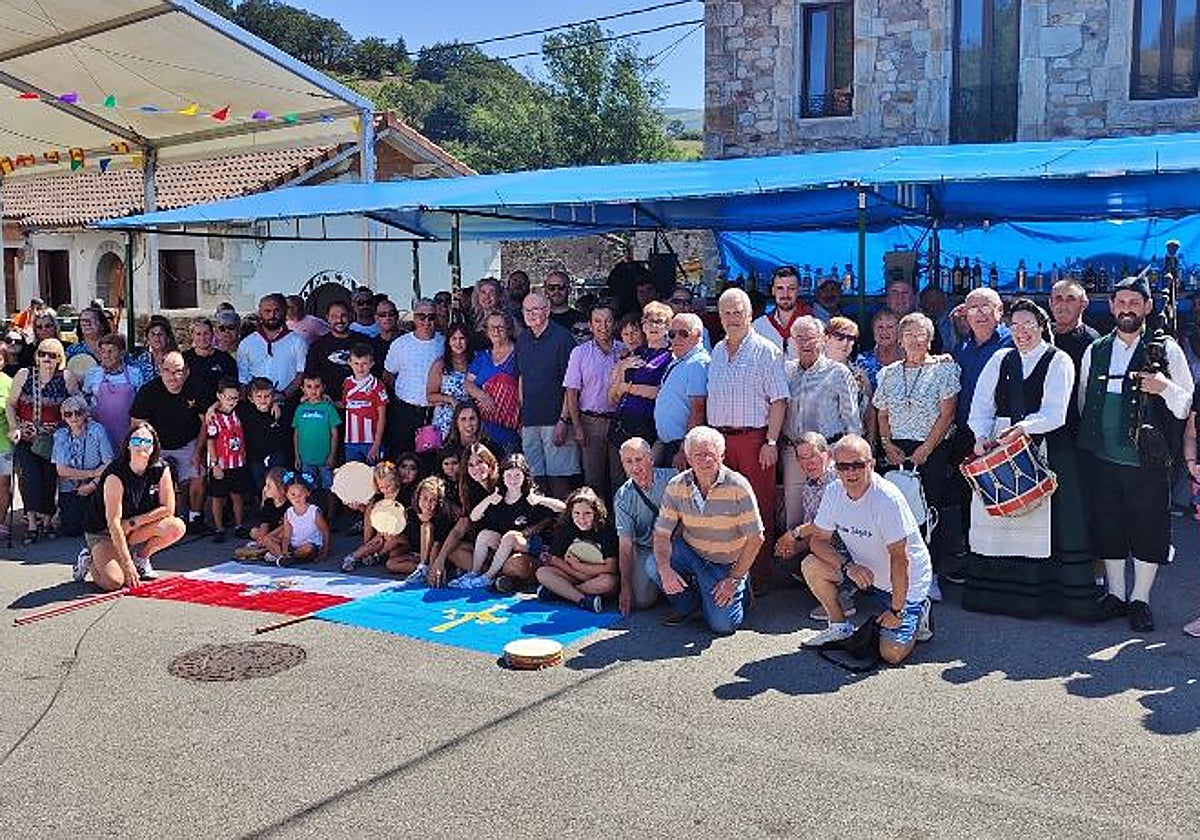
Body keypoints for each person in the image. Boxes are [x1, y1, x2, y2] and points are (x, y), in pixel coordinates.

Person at [1079, 276, 1194, 631]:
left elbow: (1186, 403)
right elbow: (1085, 398)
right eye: (1121, 301)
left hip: (1147, 459)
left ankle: (1139, 599)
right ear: (1111, 306)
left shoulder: (1165, 349)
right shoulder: (1096, 349)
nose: (1127, 308)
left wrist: (1164, 388)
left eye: (1135, 302)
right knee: (1109, 525)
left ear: (1147, 307)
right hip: (1102, 456)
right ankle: (1116, 594)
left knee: (1147, 529)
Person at [965, 299, 1081, 619]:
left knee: (1035, 521)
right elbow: (981, 405)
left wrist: (1023, 429)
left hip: (1039, 443)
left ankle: (1035, 600)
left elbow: (1055, 412)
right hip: (999, 445)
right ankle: (991, 596)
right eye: (1014, 326)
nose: (1021, 332)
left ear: (1041, 326)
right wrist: (980, 437)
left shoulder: (1059, 360)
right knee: (993, 519)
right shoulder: (1001, 358)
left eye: (1028, 325)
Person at [799, 435, 934, 664]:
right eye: (843, 466)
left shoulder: (887, 499)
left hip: (905, 583)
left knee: (891, 654)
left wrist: (896, 612)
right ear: (835, 466)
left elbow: (900, 560)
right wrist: (849, 566)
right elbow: (817, 541)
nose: (851, 473)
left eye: (858, 465)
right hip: (867, 575)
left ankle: (919, 610)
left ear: (871, 464)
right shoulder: (834, 492)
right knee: (810, 564)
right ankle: (839, 626)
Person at [707, 288, 788, 595]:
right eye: (726, 312)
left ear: (750, 314)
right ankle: (729, 571)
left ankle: (761, 575)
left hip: (754, 440)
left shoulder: (767, 350)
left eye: (738, 311)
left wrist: (771, 441)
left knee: (758, 508)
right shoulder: (716, 350)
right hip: (720, 443)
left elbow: (779, 401)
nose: (732, 318)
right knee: (724, 510)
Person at [874, 313, 960, 583]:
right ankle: (896, 573)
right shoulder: (887, 373)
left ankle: (928, 574)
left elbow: (947, 415)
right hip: (897, 450)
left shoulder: (945, 370)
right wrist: (887, 445)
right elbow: (882, 414)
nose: (914, 339)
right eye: (908, 333)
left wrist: (927, 448)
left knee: (928, 510)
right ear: (900, 339)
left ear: (930, 338)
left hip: (931, 449)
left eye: (920, 333)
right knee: (896, 512)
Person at [652, 426, 763, 634]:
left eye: (710, 454)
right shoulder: (676, 485)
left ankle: (740, 587)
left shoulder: (738, 486)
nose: (704, 460)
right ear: (688, 457)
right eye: (697, 455)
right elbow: (661, 534)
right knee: (654, 565)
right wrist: (665, 570)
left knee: (723, 626)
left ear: (721, 456)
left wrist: (734, 578)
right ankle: (691, 604)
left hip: (726, 564)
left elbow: (756, 537)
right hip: (691, 553)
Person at [947, 287, 1013, 577]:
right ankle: (974, 558)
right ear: (965, 313)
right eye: (973, 307)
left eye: (987, 307)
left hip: (1002, 434)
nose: (980, 313)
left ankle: (1002, 565)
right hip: (965, 435)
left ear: (1000, 313)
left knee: (1002, 498)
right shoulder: (960, 349)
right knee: (968, 499)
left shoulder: (1013, 344)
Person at [74, 423, 186, 589]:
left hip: (132, 527)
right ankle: (90, 558)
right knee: (113, 582)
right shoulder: (115, 474)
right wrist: (127, 565)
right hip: (104, 531)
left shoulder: (161, 469)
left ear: (154, 447)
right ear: (128, 444)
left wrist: (134, 522)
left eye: (147, 442)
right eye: (136, 441)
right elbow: (113, 523)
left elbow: (168, 509)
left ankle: (141, 558)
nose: (141, 445)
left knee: (176, 526)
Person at [453, 453, 564, 593]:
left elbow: (564, 508)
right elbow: (474, 517)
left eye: (518, 475)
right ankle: (474, 573)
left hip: (530, 545)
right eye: (509, 475)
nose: (513, 480)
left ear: (525, 477)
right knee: (484, 534)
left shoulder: (531, 497)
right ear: (503, 476)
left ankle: (488, 577)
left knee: (511, 536)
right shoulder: (498, 497)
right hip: (505, 545)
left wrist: (540, 500)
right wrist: (489, 500)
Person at [8, 337, 80, 542]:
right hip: (26, 438)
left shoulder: (66, 377)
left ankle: (47, 520)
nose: (46, 358)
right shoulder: (24, 375)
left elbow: (77, 401)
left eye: (52, 355)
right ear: (36, 356)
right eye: (42, 354)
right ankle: (31, 523)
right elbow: (11, 404)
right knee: (30, 478)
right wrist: (14, 427)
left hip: (53, 441)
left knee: (49, 479)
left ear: (60, 358)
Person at [129, 351, 208, 533]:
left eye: (178, 371)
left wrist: (199, 450)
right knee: (160, 481)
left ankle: (195, 517)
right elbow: (137, 423)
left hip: (188, 442)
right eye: (167, 370)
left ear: (186, 371)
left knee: (198, 473)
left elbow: (205, 421)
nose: (173, 376)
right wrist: (148, 453)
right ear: (160, 370)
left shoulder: (196, 388)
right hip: (157, 445)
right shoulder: (148, 390)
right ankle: (171, 518)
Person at [516, 291, 579, 499]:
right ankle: (543, 529)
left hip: (555, 420)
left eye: (536, 309)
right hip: (530, 420)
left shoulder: (563, 338)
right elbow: (522, 378)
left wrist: (564, 420)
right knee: (535, 481)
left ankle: (565, 527)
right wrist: (523, 415)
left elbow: (571, 385)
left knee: (559, 479)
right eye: (527, 310)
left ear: (548, 311)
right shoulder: (523, 339)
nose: (531, 314)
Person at [563, 302, 624, 494]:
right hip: (590, 422)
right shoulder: (579, 353)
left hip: (619, 422)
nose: (603, 326)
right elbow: (572, 392)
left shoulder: (625, 350)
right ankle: (595, 522)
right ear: (590, 325)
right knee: (593, 480)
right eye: (598, 321)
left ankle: (619, 523)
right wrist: (577, 427)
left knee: (620, 479)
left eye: (607, 321)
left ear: (614, 324)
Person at [773, 432, 838, 603]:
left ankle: (842, 596)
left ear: (828, 454)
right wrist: (793, 546)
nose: (808, 463)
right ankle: (819, 587)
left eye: (813, 456)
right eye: (801, 458)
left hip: (845, 544)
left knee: (811, 546)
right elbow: (811, 527)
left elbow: (829, 526)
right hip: (820, 539)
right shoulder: (810, 483)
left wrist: (794, 536)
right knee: (783, 554)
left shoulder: (838, 481)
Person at [613, 437, 674, 614]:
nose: (634, 467)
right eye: (628, 461)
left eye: (639, 459)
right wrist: (625, 586)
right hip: (646, 548)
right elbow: (625, 544)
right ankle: (662, 585)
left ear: (651, 459)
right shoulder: (623, 496)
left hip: (675, 543)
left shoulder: (673, 479)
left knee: (660, 566)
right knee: (641, 601)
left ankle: (683, 597)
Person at [535, 487, 619, 612]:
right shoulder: (566, 528)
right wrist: (576, 572)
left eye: (587, 513)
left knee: (609, 582)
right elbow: (554, 559)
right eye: (577, 513)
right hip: (572, 574)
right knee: (542, 572)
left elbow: (611, 567)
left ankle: (560, 592)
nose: (582, 519)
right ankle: (581, 599)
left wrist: (579, 567)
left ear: (596, 512)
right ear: (571, 513)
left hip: (596, 577)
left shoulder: (605, 530)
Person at [427, 442, 500, 586]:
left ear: (490, 462)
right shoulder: (470, 490)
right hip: (484, 548)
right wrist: (439, 561)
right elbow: (461, 526)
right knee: (451, 550)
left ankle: (494, 575)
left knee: (517, 566)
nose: (476, 468)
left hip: (506, 543)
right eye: (470, 465)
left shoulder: (504, 482)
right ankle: (488, 576)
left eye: (480, 462)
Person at [782, 315, 861, 446]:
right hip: (791, 452)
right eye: (799, 338)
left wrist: (852, 452)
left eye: (811, 338)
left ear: (822, 340)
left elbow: (851, 420)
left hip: (828, 452)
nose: (805, 343)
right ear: (792, 342)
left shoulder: (838, 372)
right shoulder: (786, 371)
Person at [609, 302, 672, 449]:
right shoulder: (637, 352)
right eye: (648, 322)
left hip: (646, 424)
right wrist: (622, 370)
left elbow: (661, 393)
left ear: (668, 326)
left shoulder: (670, 356)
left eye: (658, 322)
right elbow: (615, 391)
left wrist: (627, 387)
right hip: (622, 422)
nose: (653, 326)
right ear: (643, 327)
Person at [384, 298, 443, 456]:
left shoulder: (444, 342)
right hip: (405, 412)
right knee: (402, 458)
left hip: (434, 413)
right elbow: (388, 376)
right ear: (414, 318)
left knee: (431, 459)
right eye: (421, 316)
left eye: (431, 317)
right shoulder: (400, 344)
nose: (426, 321)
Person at [653, 312, 710, 470]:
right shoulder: (681, 360)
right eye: (672, 334)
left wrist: (685, 449)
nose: (676, 339)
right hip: (667, 444)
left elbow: (698, 408)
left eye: (683, 334)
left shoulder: (697, 364)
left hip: (681, 447)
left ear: (698, 335)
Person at [51, 395, 114, 537]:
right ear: (63, 417)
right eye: (68, 414)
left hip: (96, 485)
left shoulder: (97, 430)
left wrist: (92, 484)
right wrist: (92, 473)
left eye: (78, 413)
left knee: (95, 526)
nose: (73, 417)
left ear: (85, 413)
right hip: (71, 486)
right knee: (73, 530)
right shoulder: (60, 435)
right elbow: (61, 471)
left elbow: (109, 463)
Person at [466, 312, 520, 453]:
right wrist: (483, 396)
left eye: (500, 327)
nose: (496, 331)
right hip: (484, 428)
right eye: (492, 327)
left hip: (511, 427)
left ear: (508, 329)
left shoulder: (519, 354)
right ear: (486, 331)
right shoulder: (482, 356)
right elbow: (468, 383)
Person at [236, 294, 308, 399]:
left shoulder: (297, 341)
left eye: (276, 310)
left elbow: (301, 374)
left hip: (287, 402)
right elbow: (243, 379)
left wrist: (283, 395)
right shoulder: (247, 343)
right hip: (255, 405)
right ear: (260, 313)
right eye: (267, 311)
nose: (272, 315)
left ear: (284, 311)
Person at [205, 378, 251, 543]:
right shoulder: (214, 418)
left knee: (237, 496)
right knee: (218, 497)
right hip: (221, 465)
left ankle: (239, 526)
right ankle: (219, 529)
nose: (232, 401)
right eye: (228, 397)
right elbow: (210, 441)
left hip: (238, 463)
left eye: (235, 398)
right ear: (219, 396)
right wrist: (215, 464)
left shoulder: (239, 413)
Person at [341, 461, 407, 571]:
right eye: (381, 487)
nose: (385, 490)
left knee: (394, 541)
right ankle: (352, 557)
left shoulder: (403, 496)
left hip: (400, 533)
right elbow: (373, 516)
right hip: (382, 531)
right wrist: (358, 507)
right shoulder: (378, 498)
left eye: (388, 486)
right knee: (378, 541)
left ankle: (376, 556)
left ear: (395, 480)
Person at [82, 333, 143, 452]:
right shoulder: (93, 374)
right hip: (99, 435)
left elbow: (141, 406)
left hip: (127, 434)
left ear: (122, 353)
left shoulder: (135, 374)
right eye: (103, 351)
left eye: (111, 351)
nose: (106, 355)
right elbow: (85, 401)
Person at [388, 475, 456, 580]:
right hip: (416, 554)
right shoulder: (409, 513)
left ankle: (425, 568)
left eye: (433, 500)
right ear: (418, 497)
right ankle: (423, 570)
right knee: (391, 564)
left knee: (426, 526)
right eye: (424, 498)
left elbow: (436, 546)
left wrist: (433, 565)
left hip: (436, 555)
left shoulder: (441, 517)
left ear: (439, 502)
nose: (428, 504)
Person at [825, 315, 875, 444]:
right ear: (827, 338)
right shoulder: (812, 369)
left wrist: (870, 442)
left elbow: (869, 411)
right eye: (840, 337)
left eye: (851, 338)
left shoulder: (860, 374)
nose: (845, 343)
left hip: (853, 443)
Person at [262, 471, 329, 566]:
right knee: (267, 539)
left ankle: (288, 557)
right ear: (287, 495)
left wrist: (325, 551)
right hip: (293, 545)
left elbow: (325, 532)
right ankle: (282, 556)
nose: (297, 498)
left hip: (309, 546)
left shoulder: (314, 511)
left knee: (308, 549)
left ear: (308, 493)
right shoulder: (289, 513)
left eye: (300, 495)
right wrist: (285, 550)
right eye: (293, 494)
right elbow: (287, 536)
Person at [291, 373, 340, 492]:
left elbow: (335, 434)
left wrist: (332, 456)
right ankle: (313, 510)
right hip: (306, 458)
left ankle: (330, 511)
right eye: (309, 386)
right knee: (308, 489)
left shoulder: (328, 408)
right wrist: (297, 456)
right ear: (303, 389)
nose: (313, 390)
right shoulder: (300, 409)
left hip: (325, 458)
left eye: (317, 386)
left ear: (323, 387)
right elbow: (296, 433)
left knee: (329, 488)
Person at [239, 377, 291, 490]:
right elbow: (224, 404)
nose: (263, 400)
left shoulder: (281, 410)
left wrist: (277, 403)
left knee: (278, 485)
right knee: (259, 486)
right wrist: (211, 409)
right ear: (251, 398)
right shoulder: (244, 410)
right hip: (255, 457)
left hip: (276, 456)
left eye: (267, 396)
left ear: (273, 396)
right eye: (258, 396)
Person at [342, 343, 387, 465]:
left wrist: (376, 444)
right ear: (350, 363)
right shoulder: (347, 383)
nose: (360, 368)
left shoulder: (377, 385)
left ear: (372, 363)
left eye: (364, 364)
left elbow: (382, 417)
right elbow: (345, 405)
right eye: (356, 363)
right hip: (350, 441)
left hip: (371, 441)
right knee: (354, 476)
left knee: (374, 478)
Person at [426, 323, 472, 441]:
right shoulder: (440, 364)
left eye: (462, 338)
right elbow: (430, 396)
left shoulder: (475, 361)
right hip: (445, 422)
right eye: (454, 339)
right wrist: (451, 400)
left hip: (469, 422)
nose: (458, 343)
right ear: (448, 342)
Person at [751, 266, 811, 357]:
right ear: (773, 291)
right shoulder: (759, 326)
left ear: (799, 291)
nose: (785, 294)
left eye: (791, 288)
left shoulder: (814, 326)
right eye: (780, 288)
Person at [305, 300, 358, 401]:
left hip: (359, 403)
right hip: (327, 403)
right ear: (327, 318)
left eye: (343, 315)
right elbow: (310, 376)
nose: (339, 320)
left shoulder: (364, 342)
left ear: (350, 316)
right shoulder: (317, 346)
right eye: (334, 316)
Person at [182, 318, 238, 404]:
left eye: (206, 333)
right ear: (192, 335)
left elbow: (233, 390)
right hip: (190, 411)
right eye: (198, 334)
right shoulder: (183, 359)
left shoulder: (225, 359)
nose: (202, 338)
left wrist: (215, 407)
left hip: (219, 411)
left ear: (213, 333)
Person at [858, 309, 903, 390]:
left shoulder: (909, 359)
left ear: (899, 331)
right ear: (873, 331)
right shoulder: (862, 360)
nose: (884, 331)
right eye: (880, 327)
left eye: (890, 327)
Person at [248, 466, 287, 551]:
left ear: (281, 488)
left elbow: (285, 526)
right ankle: (266, 543)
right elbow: (265, 522)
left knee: (281, 535)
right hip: (271, 531)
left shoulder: (289, 505)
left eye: (269, 486)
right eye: (266, 485)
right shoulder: (268, 502)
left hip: (282, 532)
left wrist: (267, 537)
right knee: (254, 532)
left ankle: (273, 546)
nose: (265, 489)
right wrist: (263, 536)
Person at [131, 315, 178, 385]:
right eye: (153, 334)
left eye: (160, 334)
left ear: (167, 338)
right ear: (147, 339)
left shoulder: (176, 360)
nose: (156, 338)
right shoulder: (140, 361)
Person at [544, 270, 587, 340]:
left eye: (561, 287)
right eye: (551, 288)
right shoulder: (540, 319)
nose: (556, 291)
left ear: (569, 290)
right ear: (546, 291)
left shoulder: (581, 319)